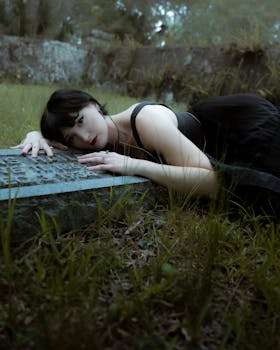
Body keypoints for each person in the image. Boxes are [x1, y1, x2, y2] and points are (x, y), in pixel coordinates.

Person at [12, 89, 280, 204]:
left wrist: (137, 165)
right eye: (72, 138)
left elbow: (211, 180)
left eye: (81, 120)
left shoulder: (147, 121)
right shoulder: (99, 140)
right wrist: (34, 134)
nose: (83, 137)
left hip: (240, 124)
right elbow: (59, 142)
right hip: (218, 146)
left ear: (94, 104)